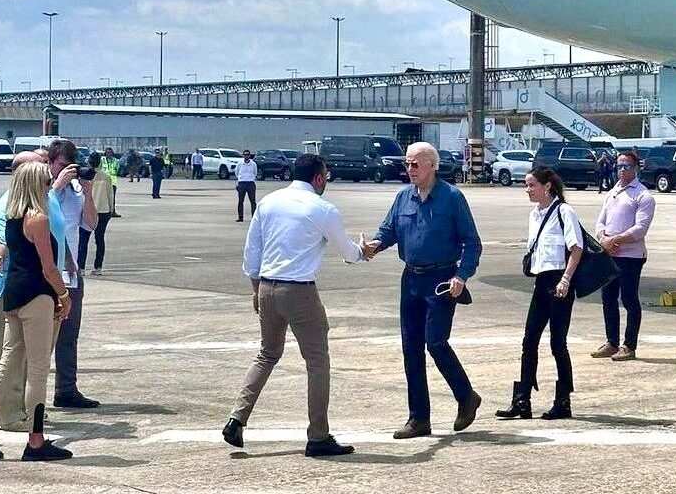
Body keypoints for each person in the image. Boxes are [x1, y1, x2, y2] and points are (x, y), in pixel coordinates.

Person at [223, 154, 362, 457]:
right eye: (326, 175)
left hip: (267, 288)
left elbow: (253, 250)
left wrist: (255, 289)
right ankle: (318, 436)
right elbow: (349, 253)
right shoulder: (322, 209)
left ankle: (237, 418)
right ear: (317, 178)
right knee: (317, 362)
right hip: (299, 292)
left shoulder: (270, 202)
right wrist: (363, 251)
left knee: (267, 354)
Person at [365, 142, 483, 439]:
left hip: (442, 280)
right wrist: (374, 247)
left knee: (436, 342)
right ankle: (419, 418)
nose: (410, 169)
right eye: (407, 164)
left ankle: (466, 396)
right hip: (411, 280)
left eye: (415, 164)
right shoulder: (403, 197)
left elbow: (472, 242)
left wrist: (462, 276)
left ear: (433, 165)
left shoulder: (452, 198)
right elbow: (388, 231)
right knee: (411, 348)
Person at [0, 161, 74, 461]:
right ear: (36, 184)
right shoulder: (37, 219)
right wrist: (64, 295)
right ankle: (35, 441)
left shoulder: (13, 217)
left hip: (13, 294)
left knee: (7, 365)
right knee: (37, 370)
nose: (50, 184)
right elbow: (49, 268)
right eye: (46, 180)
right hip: (37, 296)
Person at [496, 167, 583, 421]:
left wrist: (566, 280)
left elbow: (576, 249)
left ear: (547, 186)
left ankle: (563, 401)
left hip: (560, 282)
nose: (527, 189)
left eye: (531, 184)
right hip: (541, 282)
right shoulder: (534, 215)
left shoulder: (564, 212)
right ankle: (522, 400)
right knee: (529, 340)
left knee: (558, 344)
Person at [0, 150, 47, 432]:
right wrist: (61, 293)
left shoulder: (38, 202)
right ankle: (12, 416)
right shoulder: (10, 206)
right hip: (21, 290)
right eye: (40, 166)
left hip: (27, 289)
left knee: (18, 358)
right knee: (19, 361)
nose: (46, 172)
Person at [49, 140, 100, 409]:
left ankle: (66, 389)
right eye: (61, 166)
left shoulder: (78, 191)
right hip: (46, 271)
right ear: (50, 164)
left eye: (71, 167)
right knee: (40, 337)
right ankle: (27, 396)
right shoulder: (45, 187)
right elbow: (42, 213)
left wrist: (88, 192)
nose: (67, 171)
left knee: (69, 335)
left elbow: (90, 224)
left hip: (71, 273)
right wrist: (57, 185)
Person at [592, 150, 655, 362]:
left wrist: (615, 240)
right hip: (609, 253)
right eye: (619, 166)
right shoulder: (612, 192)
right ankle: (612, 342)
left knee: (629, 299)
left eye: (626, 166)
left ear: (636, 168)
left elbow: (640, 229)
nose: (622, 170)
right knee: (608, 298)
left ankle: (629, 345)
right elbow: (600, 221)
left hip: (631, 256)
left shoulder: (642, 195)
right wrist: (603, 238)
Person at [82, 152, 113, 276]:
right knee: (100, 239)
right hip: (103, 209)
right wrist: (111, 208)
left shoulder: (86, 176)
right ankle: (98, 266)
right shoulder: (106, 176)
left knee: (84, 239)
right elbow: (110, 194)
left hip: (89, 209)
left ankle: (81, 267)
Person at [236, 150, 258, 222]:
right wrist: (239, 180)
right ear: (243, 155)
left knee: (253, 201)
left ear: (249, 155)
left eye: (248, 155)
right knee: (240, 201)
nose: (246, 156)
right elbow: (237, 172)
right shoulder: (240, 163)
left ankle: (254, 217)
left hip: (250, 183)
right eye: (245, 155)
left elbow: (255, 173)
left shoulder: (253, 164)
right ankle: (240, 217)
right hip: (242, 183)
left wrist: (251, 178)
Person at [98, 148, 120, 218]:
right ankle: (102, 211)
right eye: (107, 152)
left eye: (110, 152)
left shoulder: (116, 161)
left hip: (113, 181)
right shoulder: (102, 160)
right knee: (102, 197)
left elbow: (117, 169)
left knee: (112, 197)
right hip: (103, 181)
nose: (109, 154)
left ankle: (112, 211)